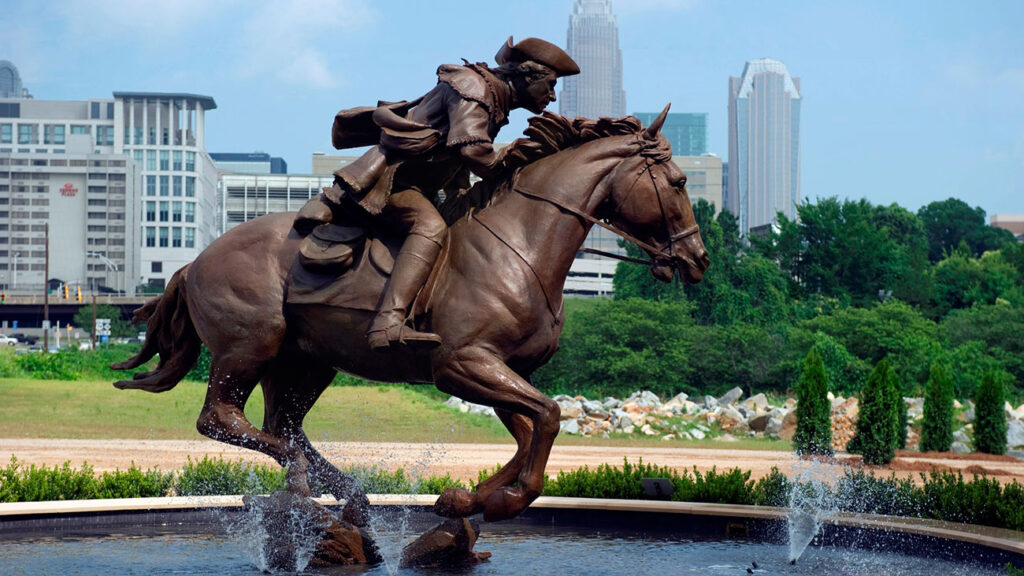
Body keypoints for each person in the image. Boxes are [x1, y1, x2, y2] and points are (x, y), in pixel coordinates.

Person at [295, 36, 579, 352]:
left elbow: (454, 156)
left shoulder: (491, 96)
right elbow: (473, 152)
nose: (552, 96)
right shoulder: (474, 90)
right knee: (430, 226)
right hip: (395, 183)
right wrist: (519, 159)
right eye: (550, 86)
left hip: (424, 186)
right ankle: (388, 323)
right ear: (528, 77)